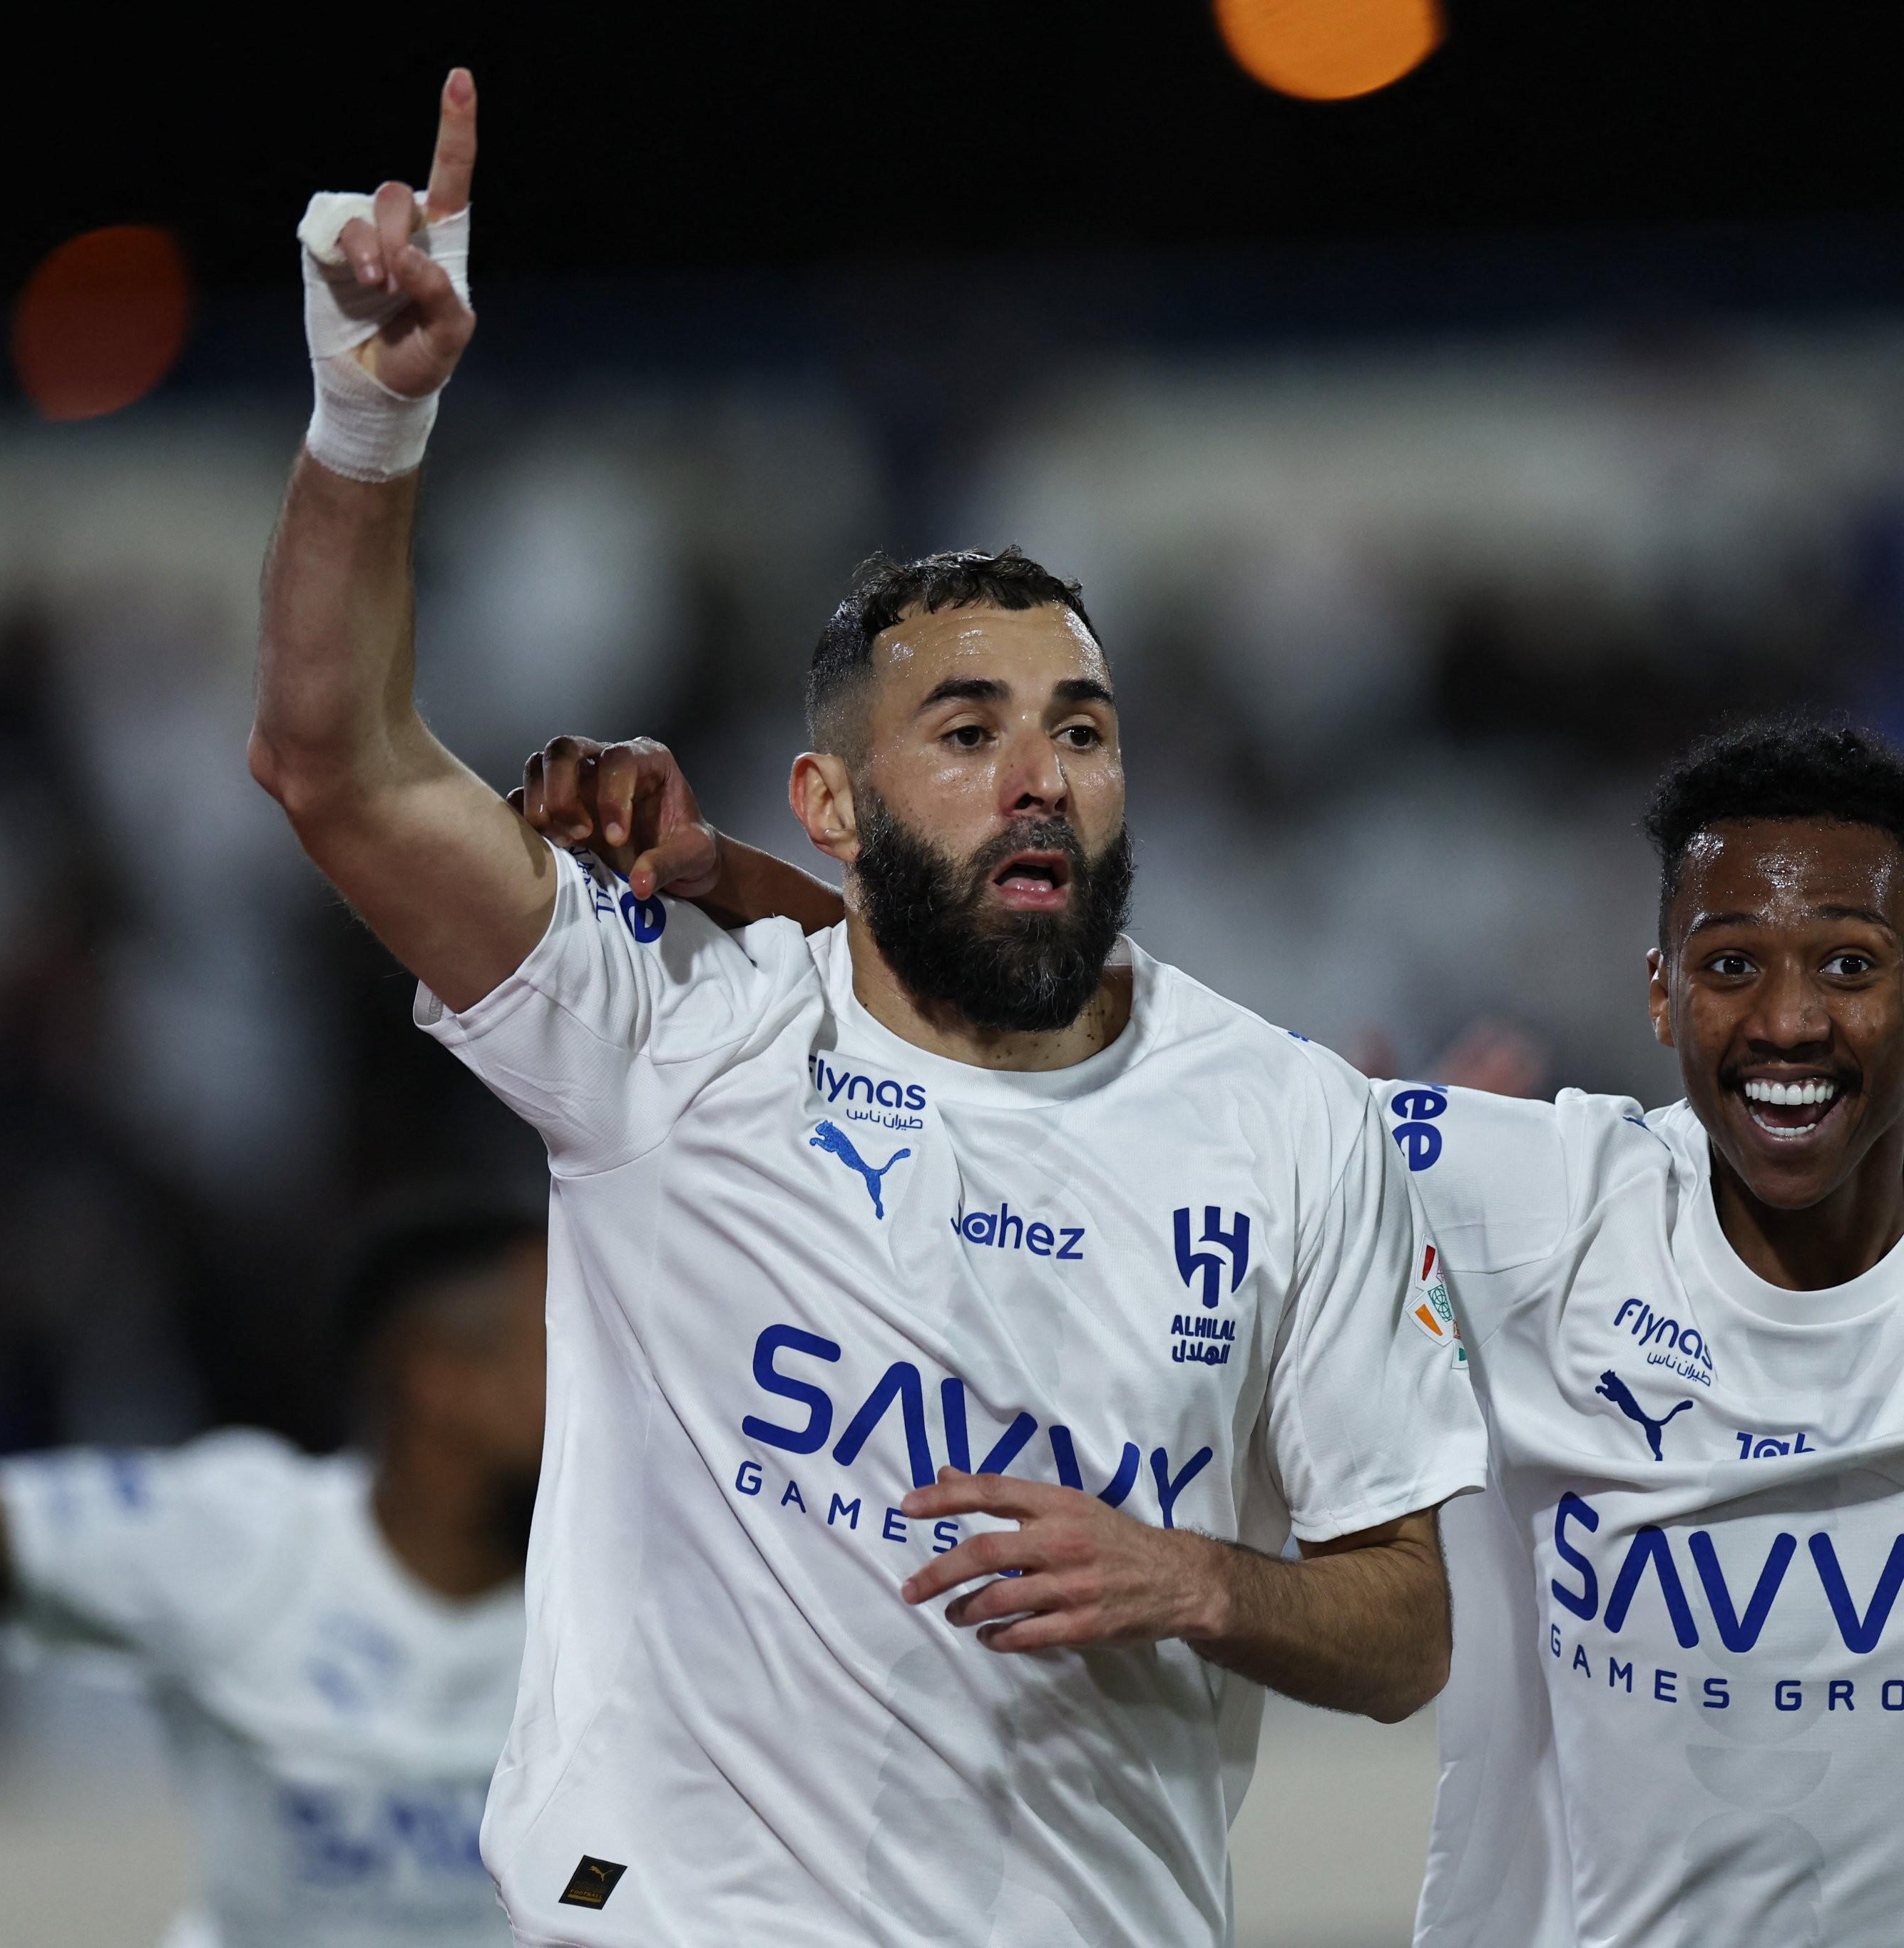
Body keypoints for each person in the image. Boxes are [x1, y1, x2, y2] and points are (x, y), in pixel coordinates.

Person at [523, 715, 1904, 1945]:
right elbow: (1056, 1061)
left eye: (1847, 965)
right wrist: (723, 877)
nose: (1788, 1020)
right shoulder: (1519, 1196)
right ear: (1658, 998)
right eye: (1730, 964)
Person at [247, 71, 1485, 1947]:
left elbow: (1407, 1628)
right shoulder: (673, 1041)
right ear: (829, 803)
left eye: (1081, 730)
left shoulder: (1286, 1121)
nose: (1040, 776)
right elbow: (331, 762)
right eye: (967, 732)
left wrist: (1197, 1579)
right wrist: (370, 416)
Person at [0, 1201, 545, 1948]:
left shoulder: (612, 1592)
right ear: (442, 1384)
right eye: (569, 1346)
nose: (606, 1383)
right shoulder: (249, 1540)